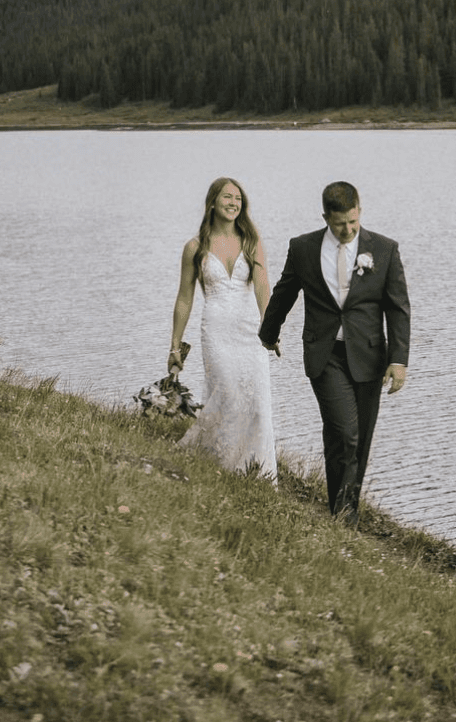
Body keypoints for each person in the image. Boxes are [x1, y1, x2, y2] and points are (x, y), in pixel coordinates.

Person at [258, 181, 410, 526]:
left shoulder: (384, 250)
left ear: (360, 211)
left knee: (358, 438)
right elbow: (284, 292)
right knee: (345, 431)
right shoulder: (303, 248)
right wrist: (269, 332)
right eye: (340, 223)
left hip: (369, 355)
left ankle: (343, 510)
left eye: (353, 221)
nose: (348, 230)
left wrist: (398, 360)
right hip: (324, 353)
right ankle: (345, 517)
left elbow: (398, 308)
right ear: (325, 216)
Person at [170, 177, 277, 481]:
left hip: (250, 332)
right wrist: (175, 346)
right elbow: (183, 298)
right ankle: (222, 466)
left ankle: (257, 472)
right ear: (213, 202)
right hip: (216, 331)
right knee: (227, 395)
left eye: (238, 199)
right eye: (227, 197)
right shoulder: (195, 247)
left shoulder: (252, 242)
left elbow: (262, 289)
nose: (233, 203)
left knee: (256, 402)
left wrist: (270, 331)